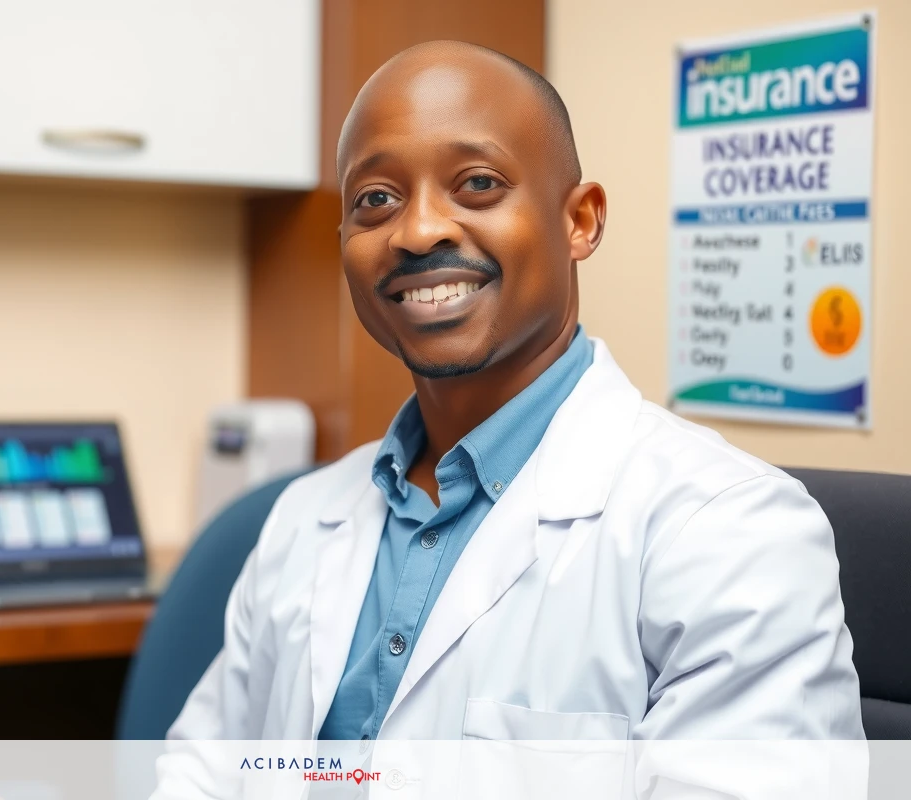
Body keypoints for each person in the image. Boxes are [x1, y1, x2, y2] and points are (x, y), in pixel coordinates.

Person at [155, 38, 862, 796]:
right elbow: (200, 774)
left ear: (580, 221)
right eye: (376, 200)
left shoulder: (731, 532)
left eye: (478, 183)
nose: (418, 231)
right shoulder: (304, 517)